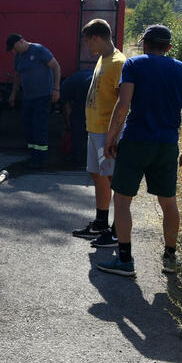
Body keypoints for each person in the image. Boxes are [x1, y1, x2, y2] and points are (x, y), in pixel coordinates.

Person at [97, 24, 182, 278]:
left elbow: (123, 106)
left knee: (122, 200)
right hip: (167, 145)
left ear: (144, 43)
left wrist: (111, 138)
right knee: (169, 203)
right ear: (169, 47)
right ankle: (170, 258)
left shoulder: (134, 65)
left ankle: (125, 260)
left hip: (135, 141)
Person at [71, 19, 126, 248]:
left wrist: (114, 135)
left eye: (87, 40)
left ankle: (116, 231)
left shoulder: (118, 62)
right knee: (97, 175)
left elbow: (124, 101)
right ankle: (101, 222)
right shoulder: (102, 59)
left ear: (96, 38)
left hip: (107, 132)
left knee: (114, 180)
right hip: (94, 130)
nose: (86, 45)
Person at [7, 34, 61, 169]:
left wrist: (56, 89)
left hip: (43, 97)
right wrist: (14, 93)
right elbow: (17, 75)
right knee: (28, 126)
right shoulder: (18, 56)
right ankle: (32, 156)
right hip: (28, 97)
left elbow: (56, 67)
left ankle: (41, 159)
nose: (14, 51)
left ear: (21, 42)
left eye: (14, 48)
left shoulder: (39, 50)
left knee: (39, 126)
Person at [60, 67, 93, 166]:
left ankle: (76, 157)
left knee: (77, 122)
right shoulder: (76, 75)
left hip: (85, 87)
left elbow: (66, 110)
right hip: (97, 82)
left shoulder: (64, 87)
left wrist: (69, 125)